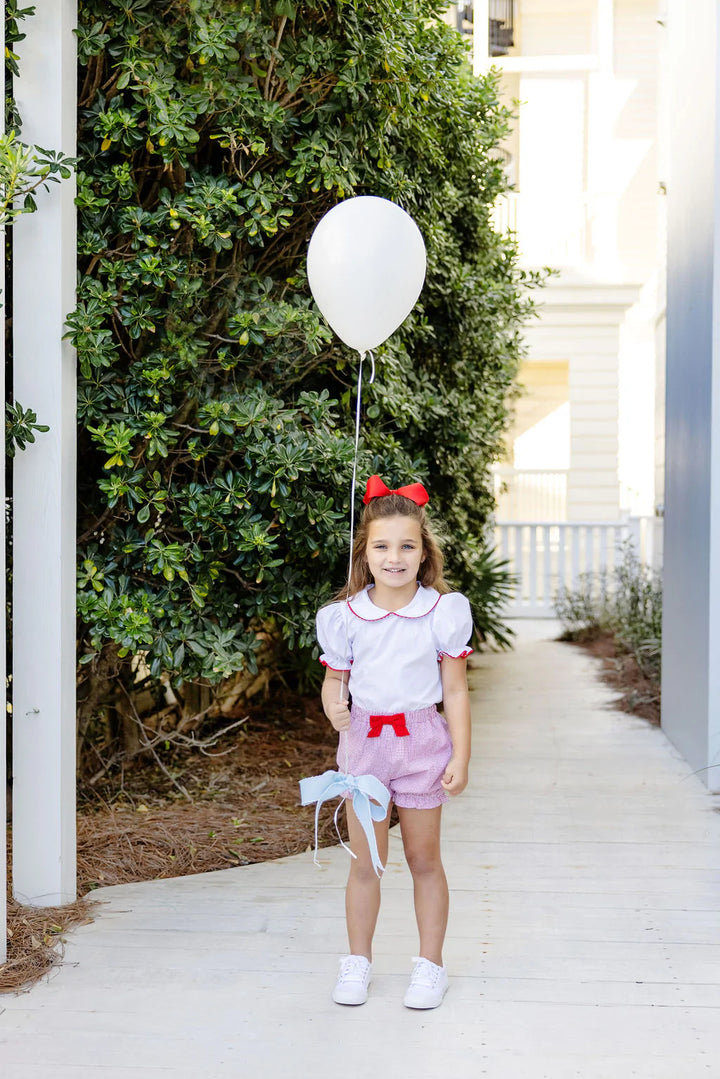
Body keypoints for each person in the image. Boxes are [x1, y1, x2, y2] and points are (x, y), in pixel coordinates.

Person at [316, 474, 473, 1009]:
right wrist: (332, 705)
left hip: (422, 743)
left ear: (423, 552)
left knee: (424, 857)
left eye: (407, 546)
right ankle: (357, 961)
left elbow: (454, 691)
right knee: (367, 861)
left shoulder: (440, 612)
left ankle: (431, 966)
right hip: (364, 746)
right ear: (365, 552)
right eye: (382, 546)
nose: (395, 557)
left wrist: (462, 754)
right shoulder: (345, 617)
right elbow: (335, 679)